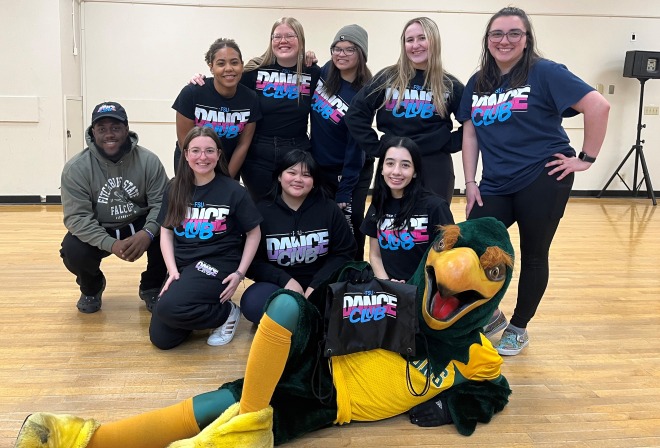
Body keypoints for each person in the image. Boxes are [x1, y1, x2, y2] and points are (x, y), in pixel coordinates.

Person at [458, 6, 610, 356]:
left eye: (514, 33)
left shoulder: (545, 72)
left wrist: (585, 159)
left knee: (534, 253)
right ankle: (491, 316)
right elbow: (471, 135)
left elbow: (598, 106)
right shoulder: (478, 81)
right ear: (488, 39)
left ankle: (519, 326)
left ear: (526, 40)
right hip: (494, 182)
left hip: (542, 177)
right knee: (470, 246)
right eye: (497, 34)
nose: (505, 40)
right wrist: (470, 182)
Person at [150, 127, 262, 349]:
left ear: (219, 155)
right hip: (184, 264)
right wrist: (172, 271)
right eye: (196, 151)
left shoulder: (233, 191)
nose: (203, 157)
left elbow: (253, 233)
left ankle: (226, 313)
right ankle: (198, 302)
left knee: (167, 308)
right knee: (162, 339)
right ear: (186, 154)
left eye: (210, 150)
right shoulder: (174, 188)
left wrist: (239, 274)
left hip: (216, 262)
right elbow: (166, 231)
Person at [59, 102, 168, 314]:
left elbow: (161, 204)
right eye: (102, 129)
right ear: (93, 132)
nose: (109, 134)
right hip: (102, 226)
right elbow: (77, 218)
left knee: (171, 233)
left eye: (116, 128)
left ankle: (152, 286)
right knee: (73, 250)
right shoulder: (76, 168)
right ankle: (92, 287)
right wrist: (110, 244)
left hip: (139, 222)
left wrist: (148, 232)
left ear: (126, 129)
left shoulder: (148, 161)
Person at [345, 17, 464, 202]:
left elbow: (474, 122)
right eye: (410, 40)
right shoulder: (388, 78)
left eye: (422, 38)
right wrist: (377, 147)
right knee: (388, 225)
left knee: (434, 227)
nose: (415, 45)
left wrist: (447, 143)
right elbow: (355, 114)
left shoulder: (449, 84)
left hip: (434, 166)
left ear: (434, 41)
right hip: (395, 166)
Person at [241, 150, 356, 324]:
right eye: (291, 172)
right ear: (279, 176)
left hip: (321, 283)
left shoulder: (328, 209)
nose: (298, 179)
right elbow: (253, 262)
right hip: (279, 285)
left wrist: (316, 285)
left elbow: (345, 252)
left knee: (349, 302)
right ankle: (302, 317)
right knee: (253, 303)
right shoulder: (262, 211)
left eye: (306, 175)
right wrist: (286, 281)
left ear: (314, 181)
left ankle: (296, 319)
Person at [309, 24, 373, 260]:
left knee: (351, 225)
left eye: (349, 49)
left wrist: (345, 190)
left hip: (350, 171)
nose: (341, 54)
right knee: (322, 226)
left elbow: (356, 147)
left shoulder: (365, 92)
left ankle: (354, 275)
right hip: (320, 168)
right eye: (337, 48)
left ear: (361, 54)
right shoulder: (325, 72)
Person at [361, 136, 454, 282]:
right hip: (390, 289)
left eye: (405, 165)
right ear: (381, 169)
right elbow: (375, 255)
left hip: (426, 289)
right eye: (390, 163)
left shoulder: (436, 207)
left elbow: (447, 257)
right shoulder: (377, 206)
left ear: (415, 171)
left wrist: (415, 285)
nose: (396, 171)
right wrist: (388, 285)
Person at [172, 38, 261, 177]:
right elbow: (185, 141)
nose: (229, 68)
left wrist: (227, 180)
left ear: (242, 65)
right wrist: (201, 177)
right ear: (211, 67)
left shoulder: (251, 98)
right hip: (191, 167)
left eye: (234, 62)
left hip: (227, 167)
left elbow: (243, 145)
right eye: (221, 63)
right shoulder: (192, 93)